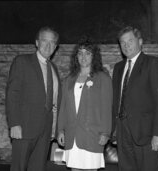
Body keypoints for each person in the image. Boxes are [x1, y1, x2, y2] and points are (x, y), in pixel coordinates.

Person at [112, 26, 158, 171]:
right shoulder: (118, 68)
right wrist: (113, 130)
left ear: (140, 41)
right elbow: (116, 101)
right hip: (122, 133)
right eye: (122, 42)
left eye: (130, 41)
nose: (126, 45)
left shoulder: (153, 63)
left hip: (147, 134)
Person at [6, 26, 61, 171]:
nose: (48, 46)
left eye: (52, 42)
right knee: (19, 168)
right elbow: (12, 93)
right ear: (37, 42)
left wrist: (55, 127)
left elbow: (53, 101)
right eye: (44, 41)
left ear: (56, 46)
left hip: (46, 131)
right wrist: (14, 123)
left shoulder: (54, 68)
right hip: (24, 128)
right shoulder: (22, 61)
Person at [57, 37, 113, 171]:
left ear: (94, 56)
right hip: (72, 135)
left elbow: (107, 108)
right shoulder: (68, 80)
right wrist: (60, 130)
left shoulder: (103, 79)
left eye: (88, 53)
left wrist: (105, 132)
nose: (83, 57)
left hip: (92, 135)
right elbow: (63, 108)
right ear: (76, 56)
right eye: (80, 53)